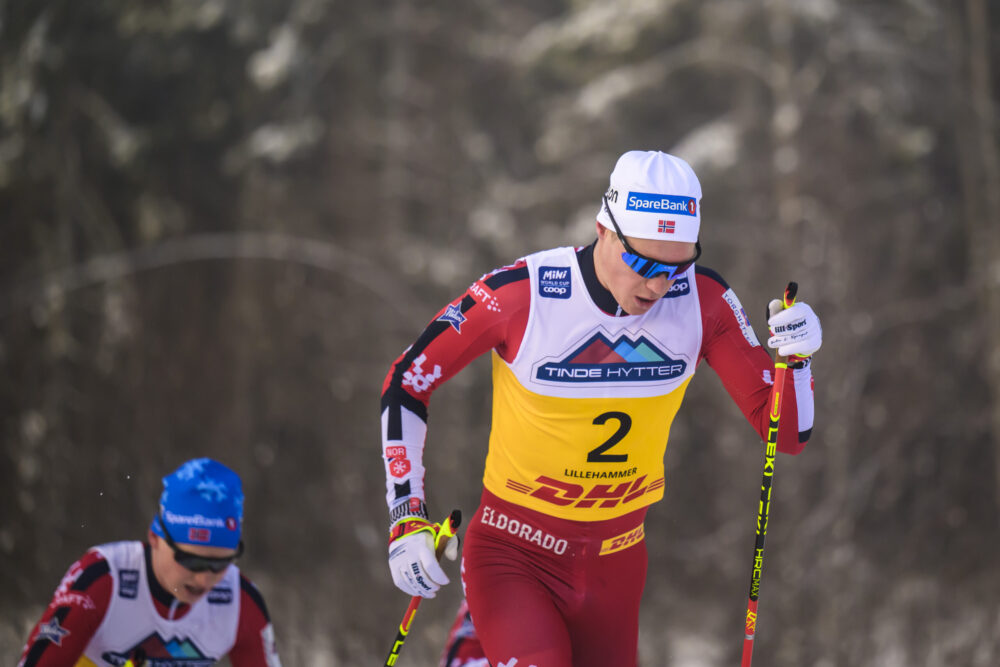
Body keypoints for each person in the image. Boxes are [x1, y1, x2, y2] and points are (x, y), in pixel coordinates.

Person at [381, 150, 822, 667]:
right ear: (604, 230)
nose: (658, 285)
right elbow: (407, 379)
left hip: (617, 562)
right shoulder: (526, 294)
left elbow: (787, 433)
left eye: (677, 266)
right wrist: (406, 517)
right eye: (643, 263)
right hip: (514, 554)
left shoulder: (702, 301)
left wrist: (798, 363)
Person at [19, 458, 282, 667]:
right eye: (190, 561)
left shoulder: (239, 602)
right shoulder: (103, 581)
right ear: (155, 537)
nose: (204, 579)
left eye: (220, 564)